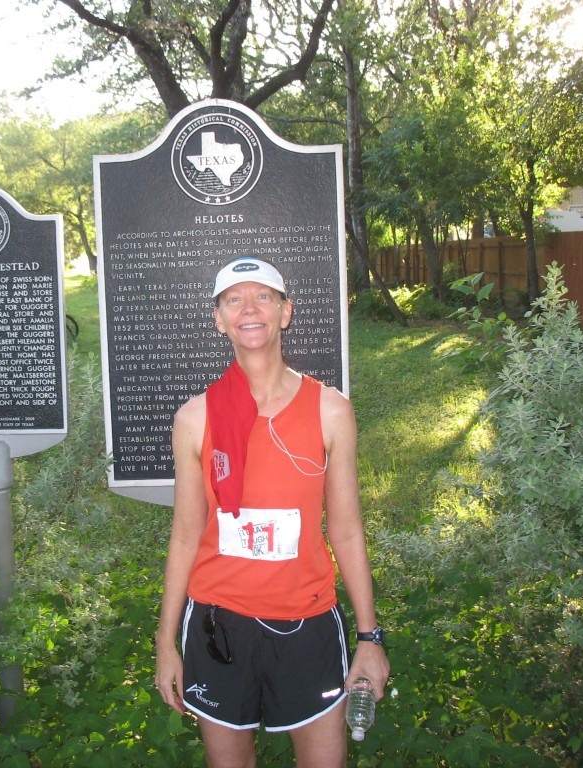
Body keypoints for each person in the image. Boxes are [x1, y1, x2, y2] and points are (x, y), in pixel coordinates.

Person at [155, 256, 391, 768]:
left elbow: (347, 531)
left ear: (285, 312)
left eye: (263, 296)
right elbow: (185, 535)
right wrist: (165, 641)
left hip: (307, 623)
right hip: (219, 625)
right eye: (233, 299)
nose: (249, 308)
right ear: (218, 319)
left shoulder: (331, 409)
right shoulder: (195, 418)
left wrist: (369, 637)